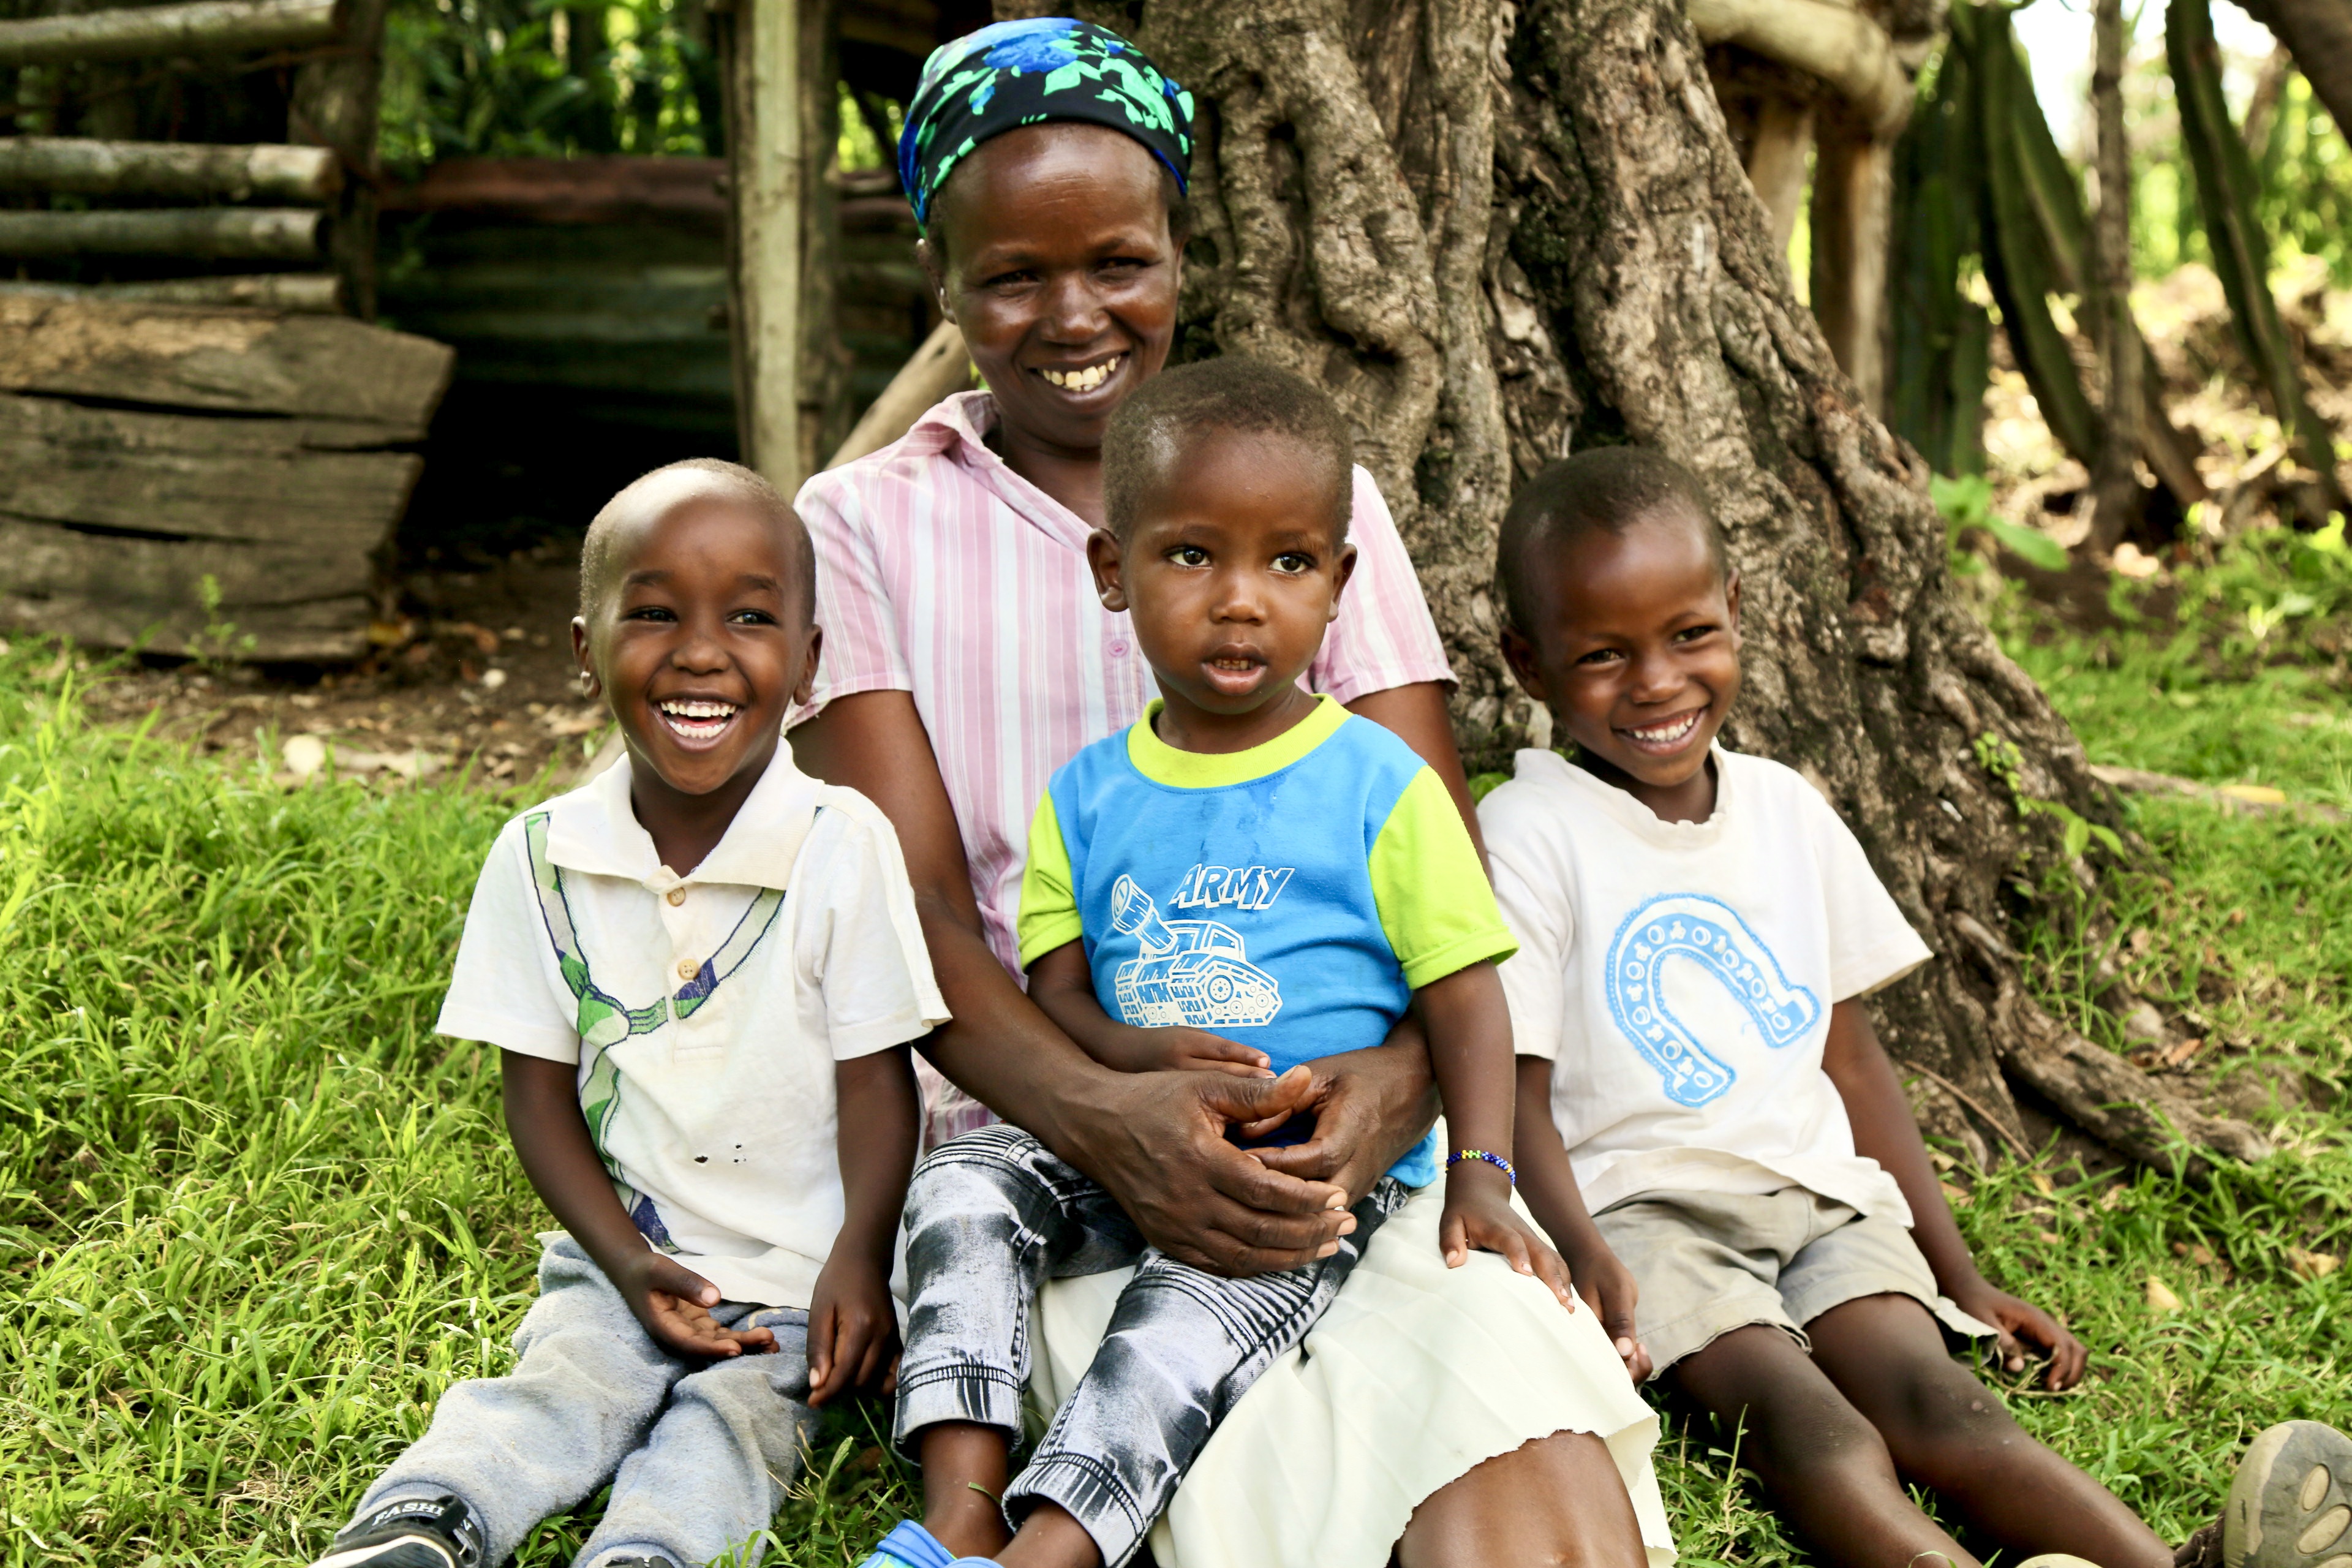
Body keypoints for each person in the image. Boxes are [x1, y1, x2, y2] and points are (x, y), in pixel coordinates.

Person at [790, 17, 1673, 1568]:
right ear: (944, 283)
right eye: (1010, 276)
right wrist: (1115, 1116)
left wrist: (1394, 1096)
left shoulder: (1314, 500)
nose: (1074, 313)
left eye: (1120, 259)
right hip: (1040, 1123)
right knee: (1204, 1407)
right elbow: (912, 911)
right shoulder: (859, 526)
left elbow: (1431, 861)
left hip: (1335, 1123)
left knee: (1510, 1441)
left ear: (1183, 256)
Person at [1480, 446, 2352, 1568]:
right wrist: (1585, 1252)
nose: (1656, 683)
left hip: (1824, 1208)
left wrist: (1962, 1275)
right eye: (1603, 655)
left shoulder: (1785, 811)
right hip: (1651, 1221)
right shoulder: (1529, 831)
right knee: (1819, 1430)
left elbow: (1852, 1062)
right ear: (1527, 661)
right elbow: (1519, 1093)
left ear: (1736, 611)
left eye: (1690, 634)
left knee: (1941, 1405)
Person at [861, 358, 1638, 1568]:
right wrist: (1132, 1059)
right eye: (1191, 557)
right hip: (1120, 1137)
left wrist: (1482, 1171)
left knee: (1181, 1316)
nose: (1240, 601)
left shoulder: (1382, 786)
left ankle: (1049, 1549)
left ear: (1338, 583)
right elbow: (1059, 993)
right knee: (959, 1187)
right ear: (1112, 573)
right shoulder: (1087, 794)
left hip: (1295, 1162)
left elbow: (1467, 991)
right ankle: (958, 1501)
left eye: (1286, 563)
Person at [311, 461, 944, 1568]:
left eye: (750, 618)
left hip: (805, 1284)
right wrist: (622, 1258)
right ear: (583, 647)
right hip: (632, 1250)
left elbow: (876, 1083)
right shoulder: (544, 854)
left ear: (806, 666)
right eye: (654, 613)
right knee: (563, 1379)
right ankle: (424, 1522)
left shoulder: (843, 843)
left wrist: (858, 1258)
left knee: (733, 1427)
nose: (701, 650)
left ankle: (647, 1554)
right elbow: (539, 1094)